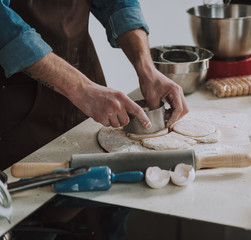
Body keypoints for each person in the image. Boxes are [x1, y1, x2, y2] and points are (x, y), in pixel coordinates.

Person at [0, 0, 189, 170]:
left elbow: (118, 3)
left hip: (86, 81)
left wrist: (147, 68)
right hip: (17, 104)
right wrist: (81, 88)